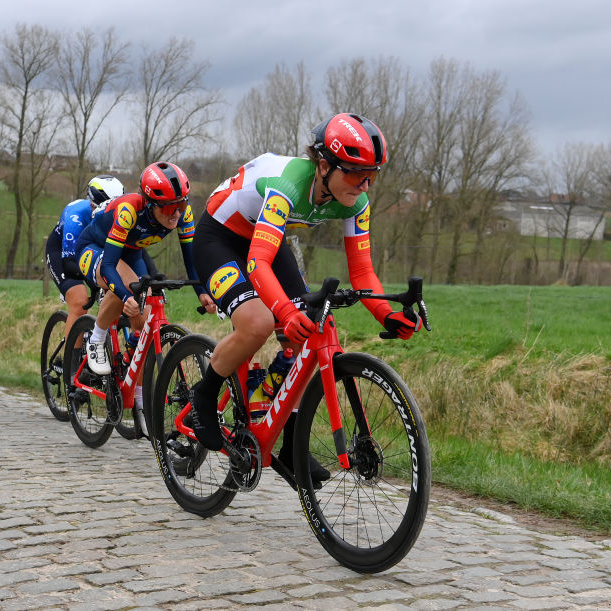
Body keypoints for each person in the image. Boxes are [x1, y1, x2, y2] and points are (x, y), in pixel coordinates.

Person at [188, 113, 422, 483]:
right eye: (355, 174)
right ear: (324, 165)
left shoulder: (355, 202)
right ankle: (205, 395)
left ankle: (291, 442)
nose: (364, 185)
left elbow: (362, 272)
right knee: (259, 322)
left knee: (317, 323)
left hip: (266, 237)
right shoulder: (289, 186)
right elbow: (257, 262)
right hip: (220, 238)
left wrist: (386, 314)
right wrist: (283, 310)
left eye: (372, 176)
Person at [75, 162, 215, 382]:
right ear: (150, 204)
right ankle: (96, 339)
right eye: (169, 207)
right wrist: (125, 295)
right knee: (128, 286)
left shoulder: (182, 214)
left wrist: (202, 292)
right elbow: (110, 266)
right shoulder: (129, 211)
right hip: (94, 248)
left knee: (145, 321)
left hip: (131, 253)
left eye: (182, 203)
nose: (177, 213)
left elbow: (192, 259)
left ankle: (139, 399)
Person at [44, 174, 125, 340]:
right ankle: (70, 362)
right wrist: (94, 283)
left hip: (92, 250)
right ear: (92, 204)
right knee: (79, 303)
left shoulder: (123, 215)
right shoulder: (77, 216)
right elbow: (69, 264)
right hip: (62, 254)